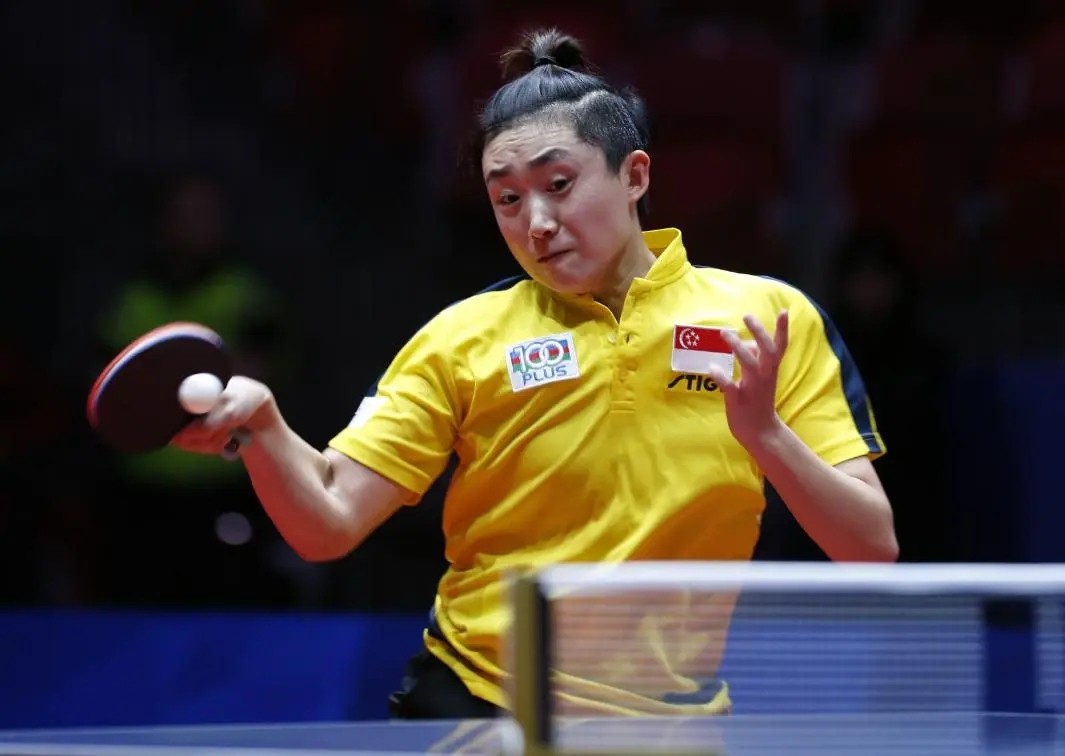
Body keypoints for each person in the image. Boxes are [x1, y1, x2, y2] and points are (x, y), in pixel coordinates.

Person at [173, 28, 897, 719]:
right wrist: (264, 430)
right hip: (480, 705)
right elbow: (328, 523)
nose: (536, 222)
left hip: (670, 725)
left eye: (559, 183)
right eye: (508, 199)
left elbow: (869, 550)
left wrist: (766, 435)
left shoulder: (768, 319)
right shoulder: (463, 338)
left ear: (634, 175)